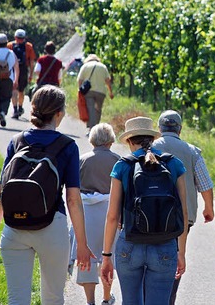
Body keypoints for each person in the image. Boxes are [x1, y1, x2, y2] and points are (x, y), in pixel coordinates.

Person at [0, 85, 94, 305]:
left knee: (17, 299)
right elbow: (73, 199)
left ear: (33, 109)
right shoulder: (68, 147)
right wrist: (81, 244)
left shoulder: (16, 142)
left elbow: (1, 191)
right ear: (59, 114)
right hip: (52, 227)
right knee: (53, 298)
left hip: (14, 227)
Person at [100, 116, 188, 305]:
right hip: (165, 245)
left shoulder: (123, 165)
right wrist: (181, 252)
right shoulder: (174, 164)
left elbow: (113, 216)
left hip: (130, 244)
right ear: (153, 138)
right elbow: (183, 212)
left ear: (130, 141)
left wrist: (106, 255)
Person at [152, 110, 214, 305]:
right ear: (180, 128)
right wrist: (208, 208)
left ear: (160, 128)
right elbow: (205, 184)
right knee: (175, 260)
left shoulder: (151, 148)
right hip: (182, 219)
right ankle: (168, 300)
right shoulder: (191, 151)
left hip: (152, 215)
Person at [71, 123, 120, 305]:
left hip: (86, 214)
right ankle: (106, 298)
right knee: (108, 256)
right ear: (110, 140)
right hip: (110, 213)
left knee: (87, 259)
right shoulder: (118, 160)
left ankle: (90, 301)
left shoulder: (82, 160)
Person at [77, 54, 114, 134]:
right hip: (101, 92)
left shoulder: (85, 66)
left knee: (91, 109)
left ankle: (91, 129)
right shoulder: (103, 67)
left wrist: (80, 90)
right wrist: (111, 92)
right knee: (98, 109)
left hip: (89, 91)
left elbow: (80, 80)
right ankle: (96, 128)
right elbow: (107, 81)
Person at [8, 29, 37, 119]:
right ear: (24, 38)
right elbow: (32, 62)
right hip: (23, 70)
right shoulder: (28, 46)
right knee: (21, 90)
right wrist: (31, 74)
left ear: (15, 37)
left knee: (14, 90)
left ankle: (15, 109)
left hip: (12, 69)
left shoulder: (10, 45)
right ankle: (20, 107)